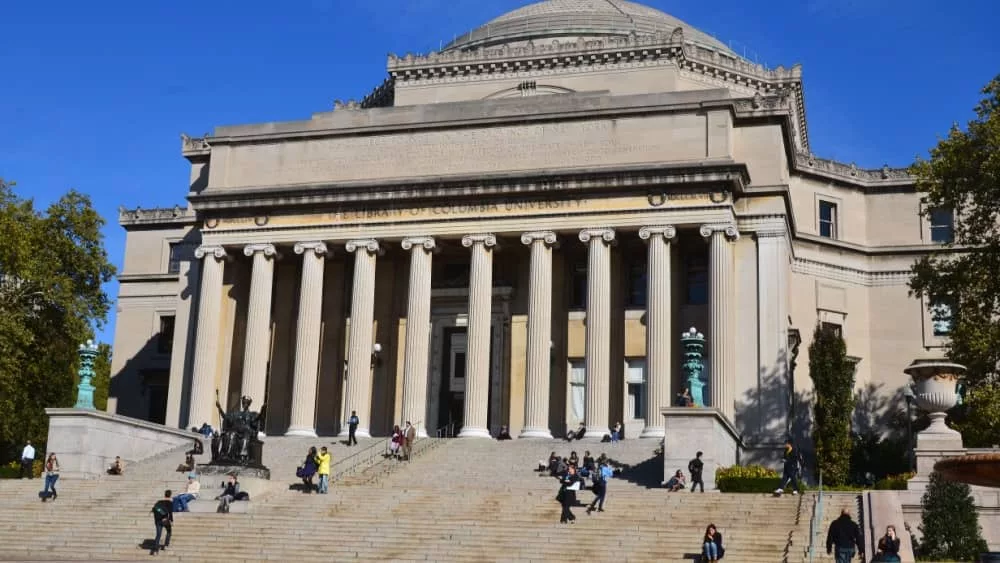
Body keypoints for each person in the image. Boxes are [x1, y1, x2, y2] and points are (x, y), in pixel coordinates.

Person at [150, 489, 173, 555]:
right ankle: (166, 545)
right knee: (169, 531)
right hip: (165, 520)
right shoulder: (170, 502)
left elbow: (154, 509)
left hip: (158, 520)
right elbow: (170, 513)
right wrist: (171, 520)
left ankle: (155, 550)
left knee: (158, 535)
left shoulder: (159, 502)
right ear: (170, 495)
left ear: (164, 494)